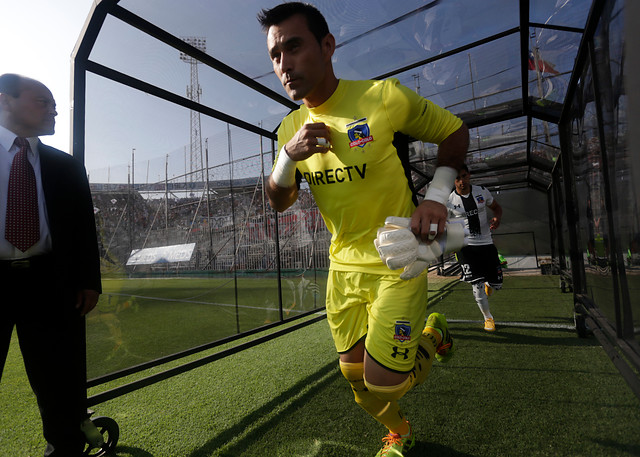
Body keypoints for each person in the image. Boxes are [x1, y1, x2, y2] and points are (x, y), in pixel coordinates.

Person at [257, 4, 469, 456]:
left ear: (327, 45)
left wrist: (435, 196)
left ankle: (432, 335)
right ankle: (401, 433)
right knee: (355, 377)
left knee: (384, 382)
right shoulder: (289, 129)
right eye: (275, 55)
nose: (284, 64)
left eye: (293, 46)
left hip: (398, 261)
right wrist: (287, 157)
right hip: (343, 267)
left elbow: (454, 132)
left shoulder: (381, 98)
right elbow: (279, 200)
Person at [0, 74, 101, 456]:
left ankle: (66, 448)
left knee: (60, 382)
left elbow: (83, 229)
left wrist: (89, 280)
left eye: (54, 102)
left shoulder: (66, 165)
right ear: (4, 101)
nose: (54, 108)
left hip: (48, 283)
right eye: (42, 101)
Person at [447, 164, 503, 331]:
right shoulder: (449, 201)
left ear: (469, 175)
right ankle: (488, 318)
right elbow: (447, 224)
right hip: (466, 247)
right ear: (454, 181)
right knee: (476, 283)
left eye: (464, 176)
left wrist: (496, 219)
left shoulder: (482, 191)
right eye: (457, 178)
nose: (461, 181)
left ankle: (489, 284)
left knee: (495, 284)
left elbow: (497, 208)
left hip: (486, 244)